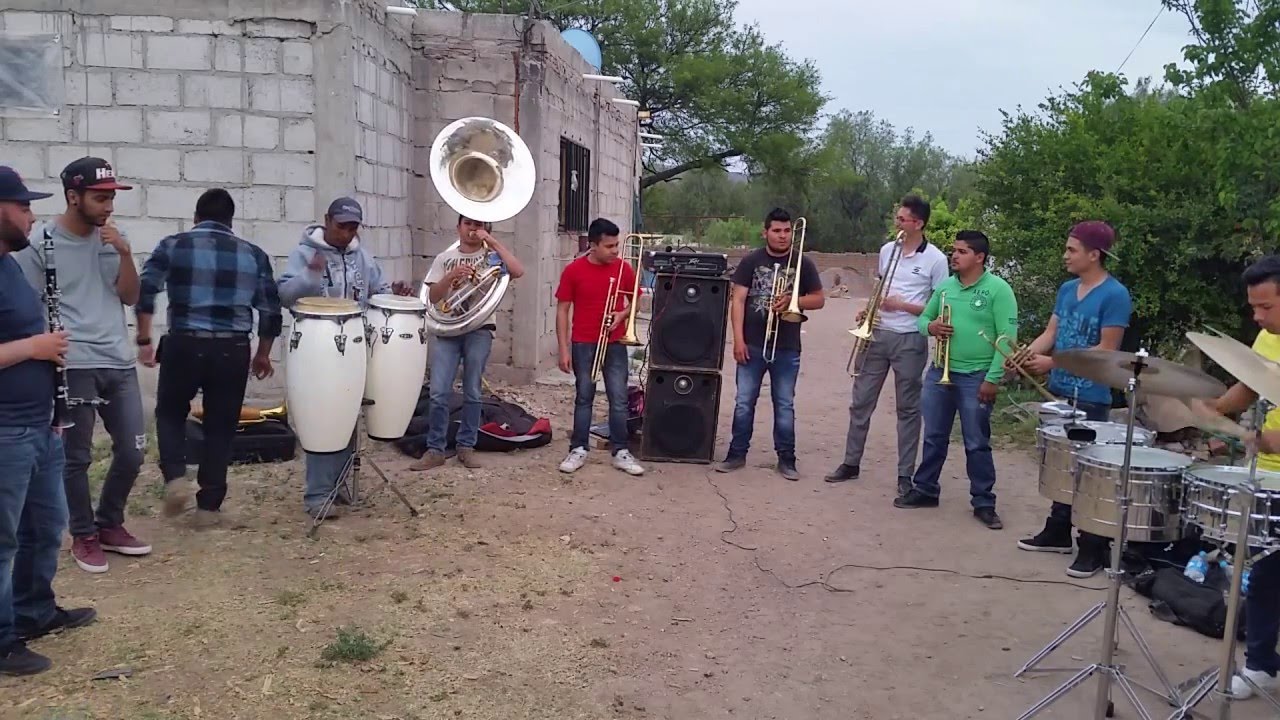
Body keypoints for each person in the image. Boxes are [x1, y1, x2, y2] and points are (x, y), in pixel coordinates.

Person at [14, 157, 151, 574]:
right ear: (73, 197)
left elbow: (129, 297)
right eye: (100, 197)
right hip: (74, 363)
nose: (108, 205)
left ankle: (110, 523)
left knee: (133, 449)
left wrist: (125, 253)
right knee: (77, 457)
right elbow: (26, 305)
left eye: (111, 197)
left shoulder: (114, 238)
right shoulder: (41, 243)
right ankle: (84, 533)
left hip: (118, 359)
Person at [136, 188, 281, 527]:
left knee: (170, 412)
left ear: (196, 218)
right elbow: (270, 311)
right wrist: (262, 354)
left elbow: (145, 290)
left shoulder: (173, 245)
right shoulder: (254, 255)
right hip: (232, 348)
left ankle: (175, 477)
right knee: (221, 426)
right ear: (231, 221)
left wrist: (144, 338)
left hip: (184, 342)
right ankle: (208, 508)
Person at [0, 166, 96, 676]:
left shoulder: (11, 267)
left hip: (38, 424)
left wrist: (52, 407)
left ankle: (34, 612)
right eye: (21, 206)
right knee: (4, 539)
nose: (31, 214)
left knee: (45, 527)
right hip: (5, 431)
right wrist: (35, 347)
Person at [276, 197, 411, 519]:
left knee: (347, 414)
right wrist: (309, 276)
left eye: (353, 228)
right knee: (325, 417)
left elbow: (375, 291)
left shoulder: (361, 256)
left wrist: (394, 291)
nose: (347, 234)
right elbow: (283, 295)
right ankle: (318, 495)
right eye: (342, 226)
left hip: (354, 346)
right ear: (327, 220)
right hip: (318, 349)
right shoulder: (305, 253)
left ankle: (338, 486)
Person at [1012, 221, 1133, 578]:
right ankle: (1058, 530)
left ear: (1094, 255)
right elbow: (1051, 332)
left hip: (1092, 394)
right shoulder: (1067, 289)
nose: (1065, 255)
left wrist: (1053, 361)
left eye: (1072, 250)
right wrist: (1023, 356)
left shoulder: (1115, 295)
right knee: (1061, 465)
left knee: (1091, 473)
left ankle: (1093, 545)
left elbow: (1106, 350)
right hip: (1062, 388)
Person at [1191, 254, 1280, 701]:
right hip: (1265, 481)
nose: (1257, 317)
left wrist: (1273, 440)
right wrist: (1216, 408)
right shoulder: (1267, 337)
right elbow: (1252, 383)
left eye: (1265, 307)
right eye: (1253, 307)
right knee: (1265, 576)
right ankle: (1263, 665)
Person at [826, 195, 949, 496]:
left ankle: (905, 474)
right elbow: (879, 287)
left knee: (907, 408)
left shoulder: (936, 259)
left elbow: (940, 307)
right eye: (897, 218)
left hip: (909, 338)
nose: (897, 223)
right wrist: (868, 310)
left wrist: (903, 306)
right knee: (860, 401)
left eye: (903, 219)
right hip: (878, 333)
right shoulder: (886, 250)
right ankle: (851, 462)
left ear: (918, 223)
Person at [896, 230, 1017, 530]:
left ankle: (984, 502)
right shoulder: (946, 287)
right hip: (940, 371)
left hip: (976, 375)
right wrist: (933, 327)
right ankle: (925, 489)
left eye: (962, 251)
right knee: (934, 436)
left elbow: (1007, 338)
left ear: (980, 257)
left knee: (976, 441)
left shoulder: (998, 290)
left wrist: (993, 378)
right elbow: (923, 320)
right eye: (954, 251)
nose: (955, 256)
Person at [715, 207, 824, 480]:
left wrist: (793, 301)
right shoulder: (751, 261)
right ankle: (736, 454)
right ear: (765, 232)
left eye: (787, 230)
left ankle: (787, 459)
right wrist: (738, 339)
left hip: (787, 345)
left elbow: (819, 299)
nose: (783, 236)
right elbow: (737, 300)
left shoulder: (803, 263)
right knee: (743, 402)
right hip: (751, 343)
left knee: (784, 403)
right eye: (776, 230)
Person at [412, 214, 525, 472]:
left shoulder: (493, 257)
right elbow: (432, 296)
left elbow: (517, 271)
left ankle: (466, 446)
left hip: (480, 328)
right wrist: (450, 276)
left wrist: (492, 241)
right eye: (469, 224)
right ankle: (435, 449)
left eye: (479, 225)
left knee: (473, 390)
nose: (473, 229)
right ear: (458, 227)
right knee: (439, 391)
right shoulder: (444, 258)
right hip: (447, 328)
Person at [554, 218, 644, 476]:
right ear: (593, 245)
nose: (615, 251)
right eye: (609, 246)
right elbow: (562, 310)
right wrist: (563, 349)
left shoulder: (623, 268)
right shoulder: (574, 271)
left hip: (614, 342)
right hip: (583, 342)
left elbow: (635, 299)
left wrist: (621, 316)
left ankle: (621, 451)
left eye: (616, 245)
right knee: (584, 397)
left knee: (618, 398)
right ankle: (579, 448)